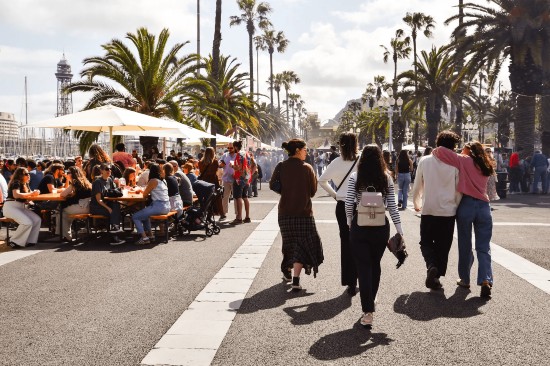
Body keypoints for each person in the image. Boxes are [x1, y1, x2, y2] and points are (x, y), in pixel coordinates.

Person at [345, 144, 403, 328]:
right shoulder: (386, 178)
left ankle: (367, 310)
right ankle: (370, 303)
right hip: (380, 227)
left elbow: (349, 203)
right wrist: (399, 230)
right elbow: (392, 206)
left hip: (359, 226)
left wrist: (349, 221)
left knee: (363, 266)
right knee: (375, 265)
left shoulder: (356, 177)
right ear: (380, 158)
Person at [432, 141, 495, 298]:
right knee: (484, 246)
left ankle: (465, 279)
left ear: (469, 150)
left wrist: (460, 154)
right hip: (484, 207)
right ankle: (485, 280)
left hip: (466, 205)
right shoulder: (487, 164)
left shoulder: (464, 160)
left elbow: (439, 150)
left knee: (465, 244)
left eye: (463, 149)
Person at [270, 138, 323, 291]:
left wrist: (286, 192)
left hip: (285, 212)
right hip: (304, 212)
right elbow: (313, 192)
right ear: (298, 150)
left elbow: (272, 184)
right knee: (302, 244)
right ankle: (296, 279)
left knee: (289, 242)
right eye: (305, 149)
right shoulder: (307, 168)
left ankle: (287, 269)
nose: (307, 152)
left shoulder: (281, 166)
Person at [412, 131, 462, 290]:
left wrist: (416, 202)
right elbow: (459, 189)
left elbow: (418, 184)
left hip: (429, 208)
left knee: (425, 241)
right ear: (453, 146)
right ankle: (437, 274)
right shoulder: (456, 163)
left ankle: (431, 265)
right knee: (444, 244)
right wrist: (456, 205)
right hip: (448, 211)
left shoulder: (425, 160)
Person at [319, 132, 359, 295]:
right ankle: (361, 276)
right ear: (356, 144)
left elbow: (322, 180)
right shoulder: (361, 160)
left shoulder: (336, 162)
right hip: (360, 204)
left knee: (346, 242)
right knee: (361, 241)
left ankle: (350, 281)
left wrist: (335, 194)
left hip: (342, 204)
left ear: (340, 145)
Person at [3, 167, 42, 248]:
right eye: (26, 174)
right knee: (27, 222)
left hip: (20, 207)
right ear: (20, 175)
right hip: (11, 207)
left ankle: (30, 240)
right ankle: (13, 241)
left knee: (37, 220)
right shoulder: (16, 182)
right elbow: (16, 195)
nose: (28, 175)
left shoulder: (25, 184)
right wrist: (31, 194)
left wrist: (35, 193)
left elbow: (28, 195)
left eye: (29, 174)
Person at [133, 163, 170, 245]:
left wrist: (142, 191)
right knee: (145, 214)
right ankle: (150, 235)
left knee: (135, 216)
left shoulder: (153, 180)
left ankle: (144, 238)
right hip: (167, 206)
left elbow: (145, 194)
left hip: (159, 206)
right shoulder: (163, 181)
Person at [89, 163, 125, 245]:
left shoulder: (110, 180)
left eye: (110, 169)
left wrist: (118, 184)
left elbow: (113, 193)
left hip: (107, 204)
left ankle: (114, 230)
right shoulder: (97, 182)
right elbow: (98, 200)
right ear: (101, 171)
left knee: (116, 206)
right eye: (107, 169)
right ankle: (114, 236)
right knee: (113, 210)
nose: (109, 171)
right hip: (97, 207)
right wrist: (108, 208)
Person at [58, 166, 92, 242]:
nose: (67, 174)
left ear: (73, 174)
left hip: (81, 207)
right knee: (66, 214)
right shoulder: (86, 182)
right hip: (88, 208)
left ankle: (65, 236)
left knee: (61, 211)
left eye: (68, 173)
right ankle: (65, 235)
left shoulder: (75, 182)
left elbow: (62, 195)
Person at [198, 147, 223, 216]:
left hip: (204, 182)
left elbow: (201, 171)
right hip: (213, 181)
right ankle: (220, 212)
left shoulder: (200, 162)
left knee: (207, 198)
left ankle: (208, 212)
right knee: (217, 197)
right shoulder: (214, 161)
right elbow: (215, 171)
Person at [230, 140, 251, 224]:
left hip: (239, 179)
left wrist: (232, 166)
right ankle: (247, 217)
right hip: (246, 178)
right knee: (245, 197)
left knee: (238, 197)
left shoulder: (239, 155)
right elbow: (251, 164)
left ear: (235, 147)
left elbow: (239, 167)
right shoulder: (247, 154)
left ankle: (239, 218)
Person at [219, 142, 236, 220]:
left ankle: (237, 213)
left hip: (235, 179)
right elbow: (220, 164)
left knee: (236, 197)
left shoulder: (237, 155)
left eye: (231, 148)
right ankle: (223, 213)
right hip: (226, 178)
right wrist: (221, 164)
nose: (229, 149)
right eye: (228, 148)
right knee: (225, 197)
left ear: (234, 147)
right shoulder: (225, 155)